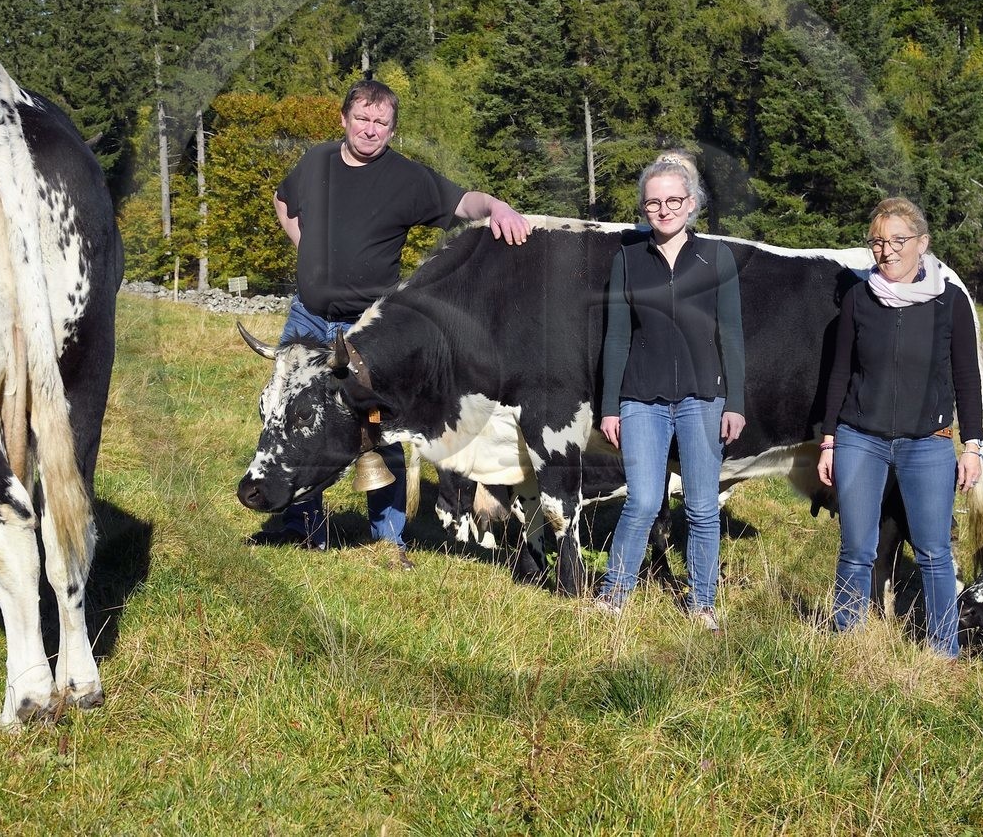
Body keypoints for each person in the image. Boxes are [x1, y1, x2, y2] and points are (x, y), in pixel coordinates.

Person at [254, 77, 530, 566]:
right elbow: (282, 198)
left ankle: (388, 534)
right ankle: (303, 522)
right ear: (343, 119)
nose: (370, 129)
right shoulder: (316, 161)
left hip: (367, 329)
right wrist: (305, 247)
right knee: (296, 419)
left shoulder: (406, 178)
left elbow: (465, 202)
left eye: (382, 122)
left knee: (383, 426)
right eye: (362, 118)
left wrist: (499, 207)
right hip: (307, 317)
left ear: (392, 131)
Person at [816, 196, 983, 656]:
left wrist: (974, 445)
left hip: (927, 443)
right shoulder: (858, 298)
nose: (886, 250)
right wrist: (829, 440)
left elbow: (966, 376)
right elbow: (839, 373)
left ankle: (943, 649)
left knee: (933, 552)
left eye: (897, 241)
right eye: (877, 241)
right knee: (856, 547)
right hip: (859, 438)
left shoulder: (950, 303)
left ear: (922, 244)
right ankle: (845, 642)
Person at [595, 153, 746, 631]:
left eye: (673, 200)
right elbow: (616, 335)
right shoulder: (627, 259)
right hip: (641, 399)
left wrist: (736, 402)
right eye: (653, 202)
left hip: (704, 399)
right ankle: (613, 595)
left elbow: (732, 334)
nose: (663, 210)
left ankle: (703, 603)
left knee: (702, 507)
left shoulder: (717, 258)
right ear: (643, 209)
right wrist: (609, 407)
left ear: (692, 202)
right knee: (641, 502)